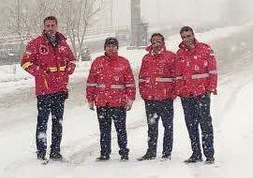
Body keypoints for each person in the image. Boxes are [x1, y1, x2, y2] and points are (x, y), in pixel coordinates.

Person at [20, 16, 76, 161]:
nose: (50, 28)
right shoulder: (35, 44)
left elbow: (72, 59)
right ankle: (41, 151)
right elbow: (25, 63)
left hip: (60, 90)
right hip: (44, 91)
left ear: (57, 26)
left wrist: (70, 68)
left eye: (52, 25)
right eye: (48, 26)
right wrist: (41, 73)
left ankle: (55, 151)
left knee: (58, 123)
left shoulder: (63, 43)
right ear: (44, 27)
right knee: (42, 123)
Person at [86, 37, 135, 161]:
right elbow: (91, 82)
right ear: (104, 48)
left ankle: (124, 152)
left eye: (113, 46)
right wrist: (90, 99)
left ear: (117, 48)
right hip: (102, 102)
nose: (111, 48)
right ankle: (105, 153)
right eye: (108, 46)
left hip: (118, 103)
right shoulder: (98, 62)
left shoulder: (123, 62)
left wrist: (130, 99)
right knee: (104, 130)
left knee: (121, 130)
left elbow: (130, 83)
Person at [174, 26, 217, 164]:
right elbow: (178, 75)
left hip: (202, 93)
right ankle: (196, 153)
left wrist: (210, 88)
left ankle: (209, 154)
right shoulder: (179, 53)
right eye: (184, 37)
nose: (186, 39)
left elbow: (212, 71)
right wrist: (180, 91)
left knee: (205, 124)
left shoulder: (205, 49)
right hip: (186, 95)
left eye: (188, 36)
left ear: (193, 35)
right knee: (191, 125)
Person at [138, 33, 178, 161]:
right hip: (150, 99)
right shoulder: (146, 58)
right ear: (151, 43)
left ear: (163, 42)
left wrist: (172, 94)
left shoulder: (171, 57)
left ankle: (166, 152)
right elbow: (142, 78)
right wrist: (144, 94)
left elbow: (176, 77)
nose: (156, 44)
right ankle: (151, 152)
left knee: (168, 126)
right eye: (154, 42)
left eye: (159, 41)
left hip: (166, 99)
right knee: (152, 127)